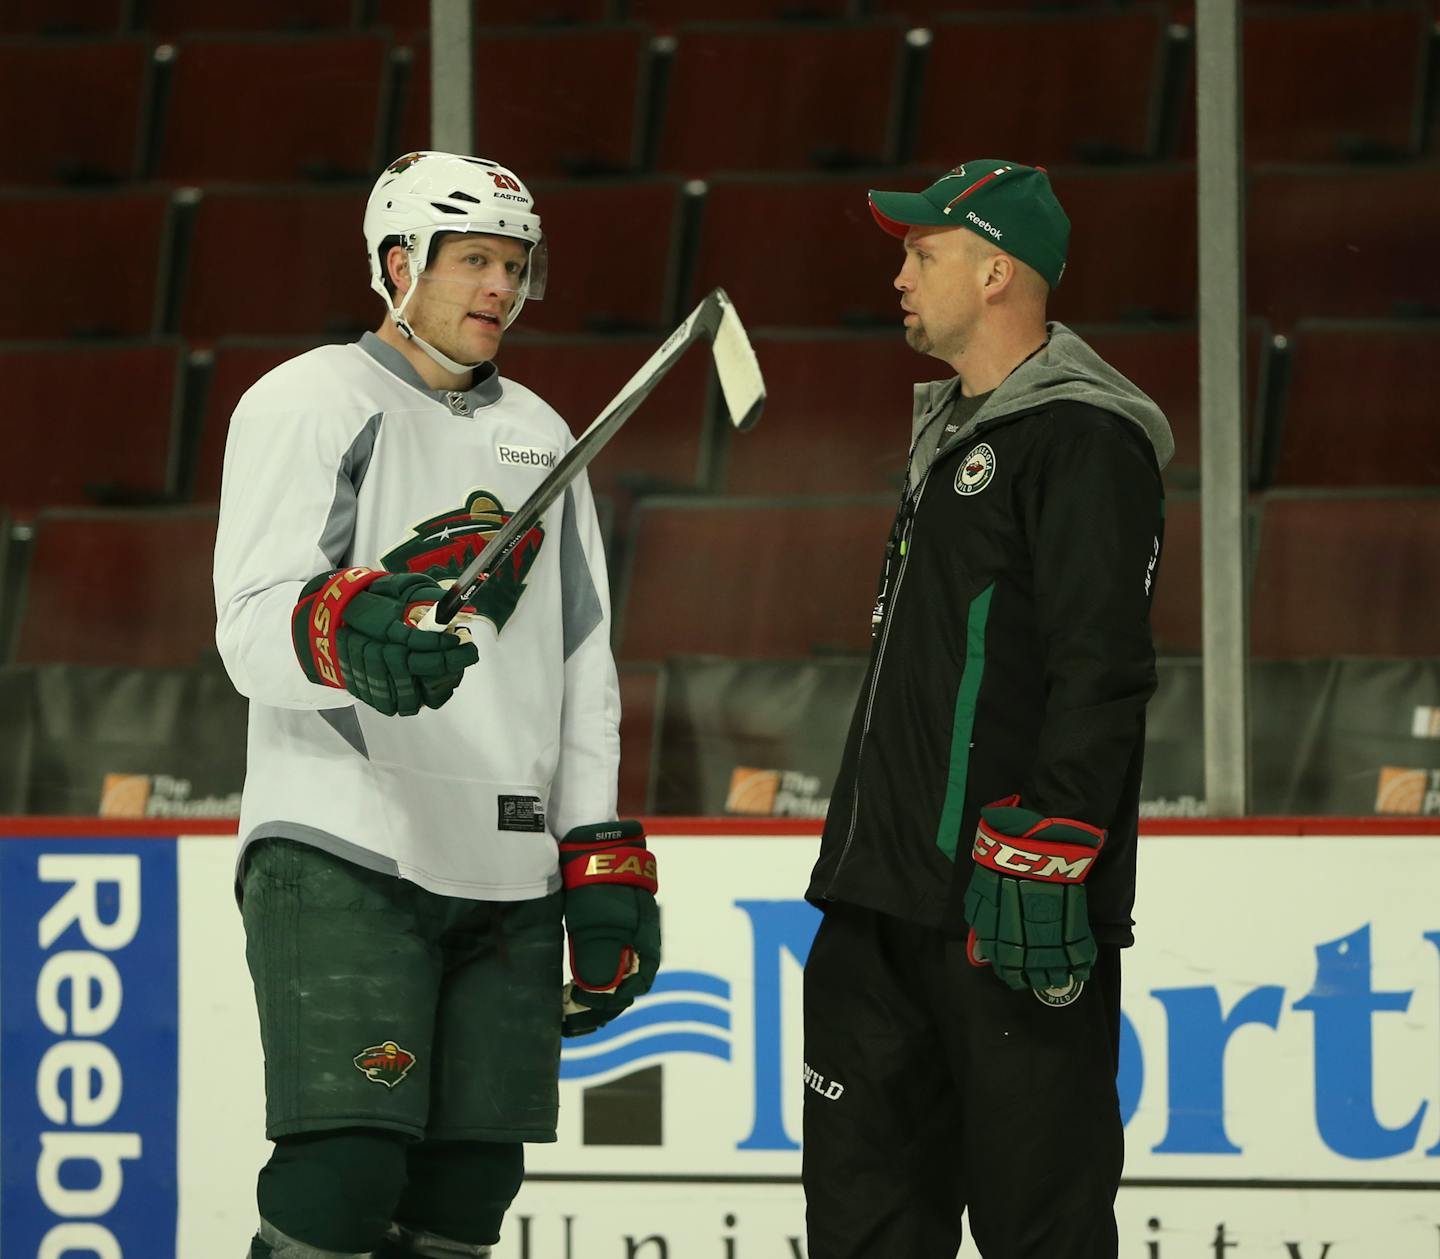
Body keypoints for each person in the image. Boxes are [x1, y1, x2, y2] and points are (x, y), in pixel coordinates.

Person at [213, 150, 660, 1259]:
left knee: (469, 1187)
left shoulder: (545, 435)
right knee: (344, 1167)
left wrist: (594, 846)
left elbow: (582, 659)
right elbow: (250, 624)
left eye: (513, 265)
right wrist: (347, 637)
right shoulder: (312, 398)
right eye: (473, 262)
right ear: (397, 261)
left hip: (506, 863)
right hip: (348, 839)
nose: (499, 289)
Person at [801, 159, 1173, 1258]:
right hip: (875, 912)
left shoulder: (1086, 438)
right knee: (862, 1235)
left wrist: (1051, 841)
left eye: (924, 251)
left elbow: (1102, 664)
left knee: (1042, 1234)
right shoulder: (949, 433)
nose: (902, 273)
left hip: (1011, 914)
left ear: (997, 269)